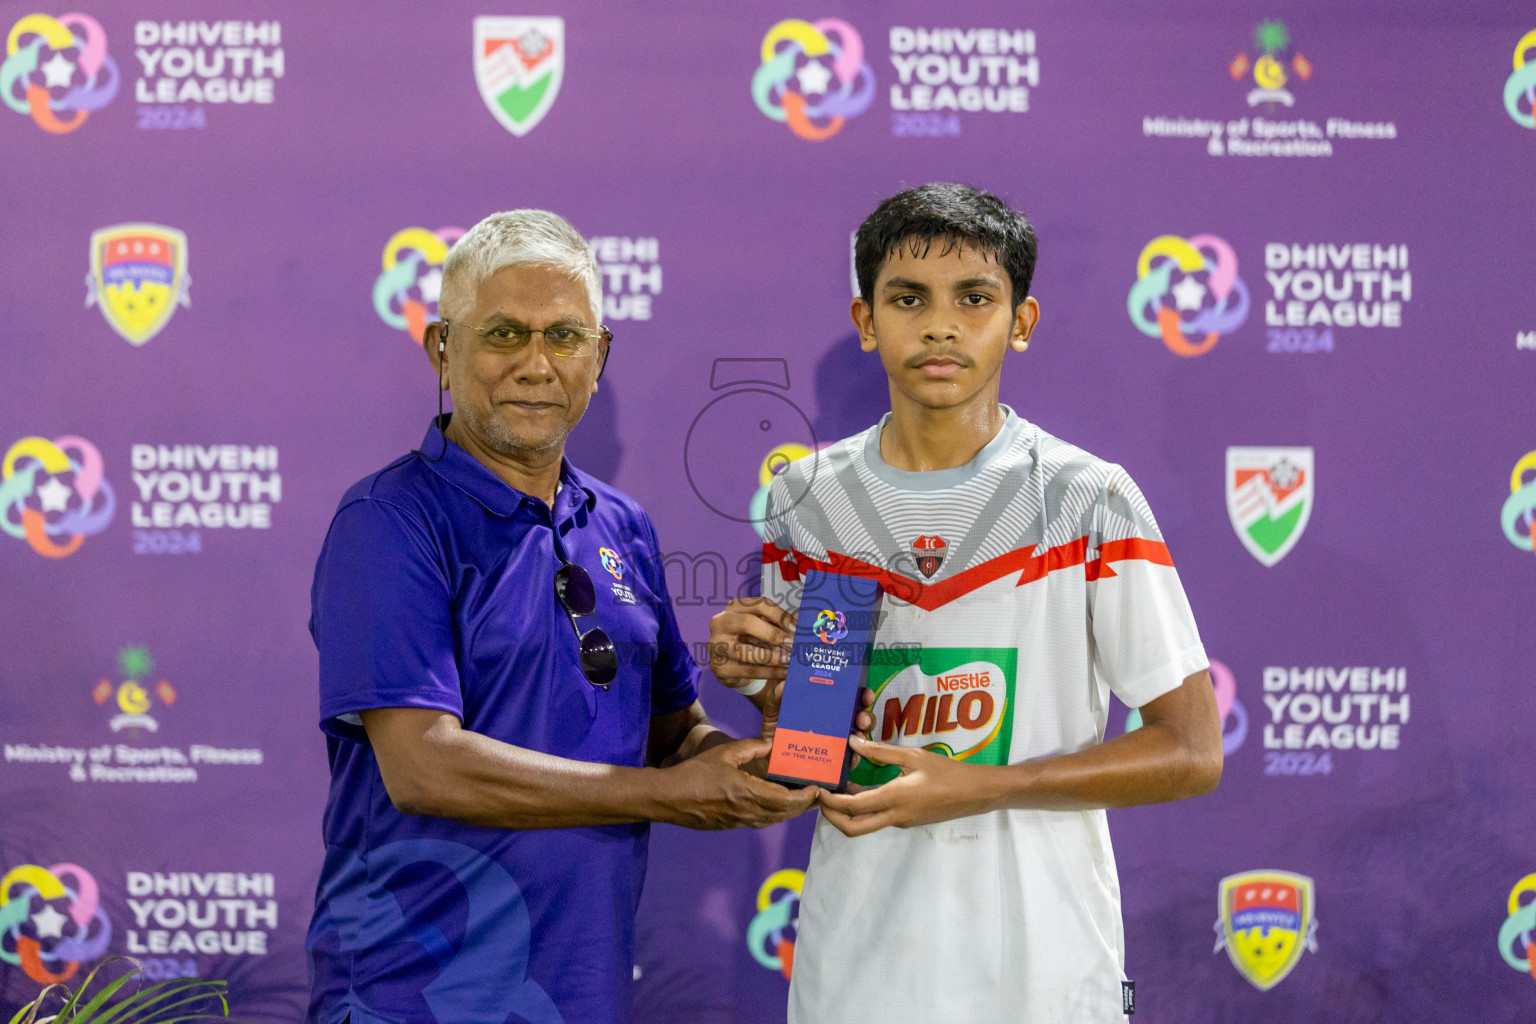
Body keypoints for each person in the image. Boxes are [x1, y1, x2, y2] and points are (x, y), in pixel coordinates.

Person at [706, 184, 1223, 1022]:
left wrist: (980, 784)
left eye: (974, 299)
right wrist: (762, 681)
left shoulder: (1090, 498)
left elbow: (1192, 751)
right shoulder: (807, 500)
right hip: (858, 971)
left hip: (1041, 972)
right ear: (867, 321)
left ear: (1020, 322)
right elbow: (813, 742)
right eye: (908, 299)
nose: (940, 325)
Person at [304, 209, 816, 1024]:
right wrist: (668, 794)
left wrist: (767, 739)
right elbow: (422, 766)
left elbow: (672, 735)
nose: (536, 364)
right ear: (443, 348)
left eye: (565, 337)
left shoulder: (623, 525)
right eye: (504, 333)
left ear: (601, 355)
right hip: (414, 995)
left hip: (584, 993)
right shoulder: (387, 521)